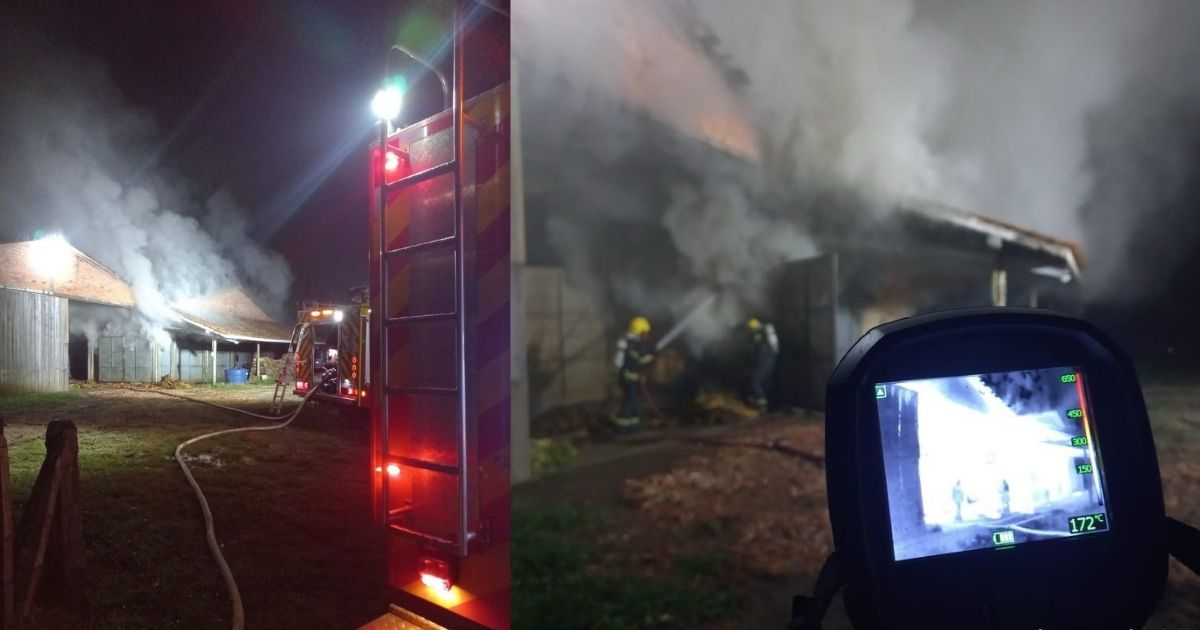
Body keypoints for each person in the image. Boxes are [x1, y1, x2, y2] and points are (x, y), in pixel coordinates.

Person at [612, 316, 655, 434]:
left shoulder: (626, 341)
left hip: (624, 377)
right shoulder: (637, 345)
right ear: (641, 332)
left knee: (633, 400)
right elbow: (644, 360)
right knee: (629, 402)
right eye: (645, 333)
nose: (647, 335)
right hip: (630, 378)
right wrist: (653, 354)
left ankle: (633, 426)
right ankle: (621, 427)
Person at [745, 317, 779, 413]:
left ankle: (762, 406)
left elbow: (755, 350)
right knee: (765, 382)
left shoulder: (758, 334)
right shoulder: (767, 333)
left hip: (762, 361)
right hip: (770, 361)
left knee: (754, 383)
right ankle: (767, 405)